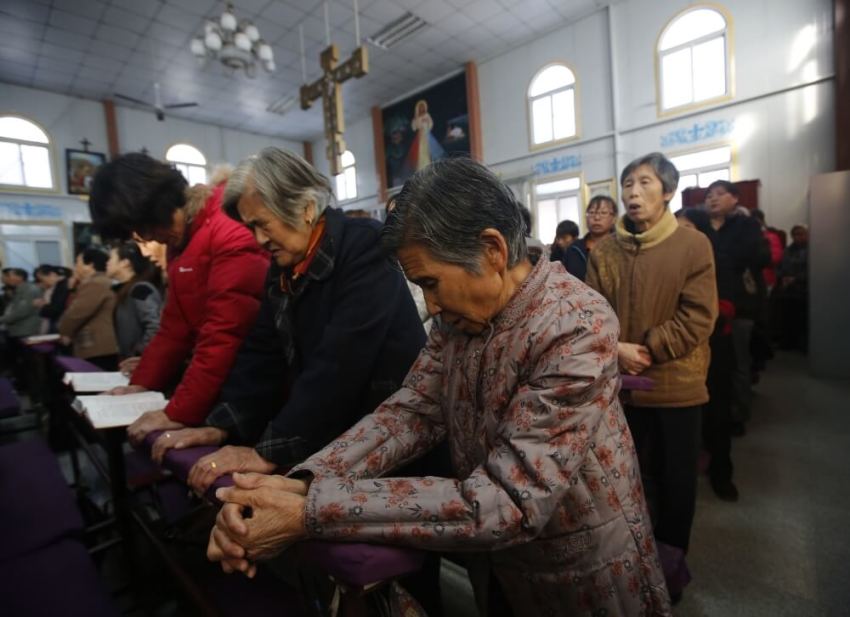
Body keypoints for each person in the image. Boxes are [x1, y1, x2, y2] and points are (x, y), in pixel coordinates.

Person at [206, 158, 672, 617]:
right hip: (501, 566)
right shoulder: (461, 318)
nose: (429, 305)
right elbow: (409, 413)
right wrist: (300, 484)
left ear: (491, 250)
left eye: (430, 282)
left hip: (584, 573)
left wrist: (312, 509)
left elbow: (508, 500)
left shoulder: (575, 325)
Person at [149, 147, 426, 496]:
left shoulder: (363, 246)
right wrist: (221, 425)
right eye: (251, 227)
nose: (259, 240)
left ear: (306, 208)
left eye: (262, 224)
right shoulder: (282, 269)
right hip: (334, 431)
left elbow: (339, 363)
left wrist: (269, 451)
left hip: (389, 435)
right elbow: (261, 355)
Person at [585, 153, 718, 602]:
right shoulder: (603, 252)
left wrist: (652, 348)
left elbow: (700, 315)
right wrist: (616, 349)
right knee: (628, 478)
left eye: (645, 183)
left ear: (668, 192)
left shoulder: (692, 245)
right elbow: (592, 314)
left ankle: (670, 570)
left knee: (676, 482)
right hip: (621, 389)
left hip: (675, 386)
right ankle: (633, 565)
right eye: (627, 183)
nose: (632, 192)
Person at [88, 155, 268, 441]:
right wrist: (141, 383)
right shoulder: (183, 237)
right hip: (225, 381)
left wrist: (178, 412)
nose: (148, 239)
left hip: (251, 386)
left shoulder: (227, 227)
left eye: (146, 228)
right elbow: (174, 327)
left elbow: (225, 333)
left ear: (158, 205)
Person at [676, 208, 739, 502]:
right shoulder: (669, 260)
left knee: (717, 414)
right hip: (679, 353)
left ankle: (721, 474)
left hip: (715, 347)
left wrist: (701, 319)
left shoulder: (718, 260)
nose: (679, 235)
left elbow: (727, 304)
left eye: (686, 228)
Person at [705, 180, 770, 434]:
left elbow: (761, 257)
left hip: (740, 305)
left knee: (738, 362)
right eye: (709, 195)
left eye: (719, 194)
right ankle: (713, 414)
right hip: (708, 303)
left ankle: (738, 414)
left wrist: (722, 257)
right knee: (714, 364)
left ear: (734, 198)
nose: (712, 198)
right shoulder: (701, 226)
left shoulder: (747, 225)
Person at [58, 248, 120, 370]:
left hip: (98, 346)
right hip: (104, 345)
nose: (76, 267)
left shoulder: (95, 283)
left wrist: (64, 330)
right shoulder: (102, 281)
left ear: (90, 265)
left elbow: (75, 314)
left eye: (78, 262)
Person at [106, 243, 163, 359]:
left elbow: (155, 325)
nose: (107, 263)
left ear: (125, 263)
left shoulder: (140, 289)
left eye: (111, 258)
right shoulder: (125, 290)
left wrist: (140, 353)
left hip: (141, 362)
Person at [0, 268, 43, 388]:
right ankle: (25, 385)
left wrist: (2, 319)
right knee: (22, 362)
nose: (5, 279)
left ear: (19, 277)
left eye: (9, 276)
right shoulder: (20, 290)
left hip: (25, 330)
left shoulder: (29, 290)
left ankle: (33, 390)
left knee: (28, 363)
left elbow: (21, 311)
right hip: (18, 330)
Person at [563, 195, 618, 281]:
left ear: (614, 218)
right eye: (591, 213)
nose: (596, 218)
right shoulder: (574, 249)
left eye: (603, 213)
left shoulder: (622, 247)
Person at [775, 224, 809, 351]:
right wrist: (782, 277)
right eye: (795, 234)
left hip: (804, 291)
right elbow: (780, 267)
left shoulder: (812, 251)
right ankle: (789, 343)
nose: (797, 237)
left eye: (801, 234)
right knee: (789, 319)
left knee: (803, 320)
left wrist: (796, 279)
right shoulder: (788, 250)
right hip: (788, 291)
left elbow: (813, 271)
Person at [33, 265, 71, 333]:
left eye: (42, 279)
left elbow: (56, 309)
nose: (43, 282)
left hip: (60, 324)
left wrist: (42, 305)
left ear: (52, 274)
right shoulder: (58, 285)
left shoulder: (62, 286)